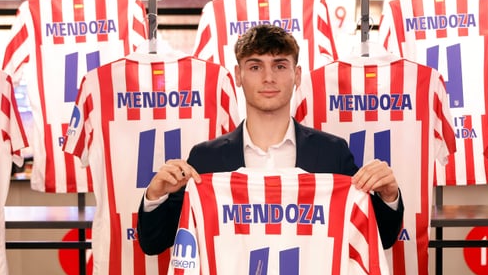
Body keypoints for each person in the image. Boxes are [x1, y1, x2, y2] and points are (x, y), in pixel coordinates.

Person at [137, 23, 404, 255]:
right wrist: (155, 196)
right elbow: (155, 242)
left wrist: (389, 196)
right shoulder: (207, 158)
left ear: (296, 76)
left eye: (280, 66)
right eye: (255, 67)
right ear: (238, 75)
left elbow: (378, 238)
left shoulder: (332, 153)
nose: (268, 78)